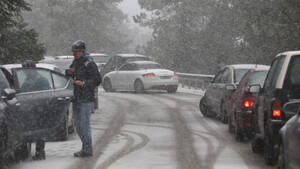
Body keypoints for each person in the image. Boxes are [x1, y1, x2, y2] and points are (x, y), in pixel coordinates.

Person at [66, 40, 101, 157]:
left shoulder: (89, 63)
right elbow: (70, 74)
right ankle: (85, 146)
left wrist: (84, 83)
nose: (74, 54)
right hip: (76, 98)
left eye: (76, 52)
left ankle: (87, 148)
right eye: (73, 52)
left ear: (82, 51)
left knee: (84, 124)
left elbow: (97, 80)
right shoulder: (75, 62)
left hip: (86, 99)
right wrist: (68, 72)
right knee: (78, 125)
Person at [21, 60, 50, 160]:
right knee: (29, 130)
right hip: (28, 110)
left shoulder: (42, 80)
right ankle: (25, 152)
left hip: (40, 110)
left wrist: (38, 104)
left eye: (27, 70)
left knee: (39, 131)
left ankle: (40, 152)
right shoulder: (26, 80)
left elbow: (46, 95)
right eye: (24, 70)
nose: (25, 72)